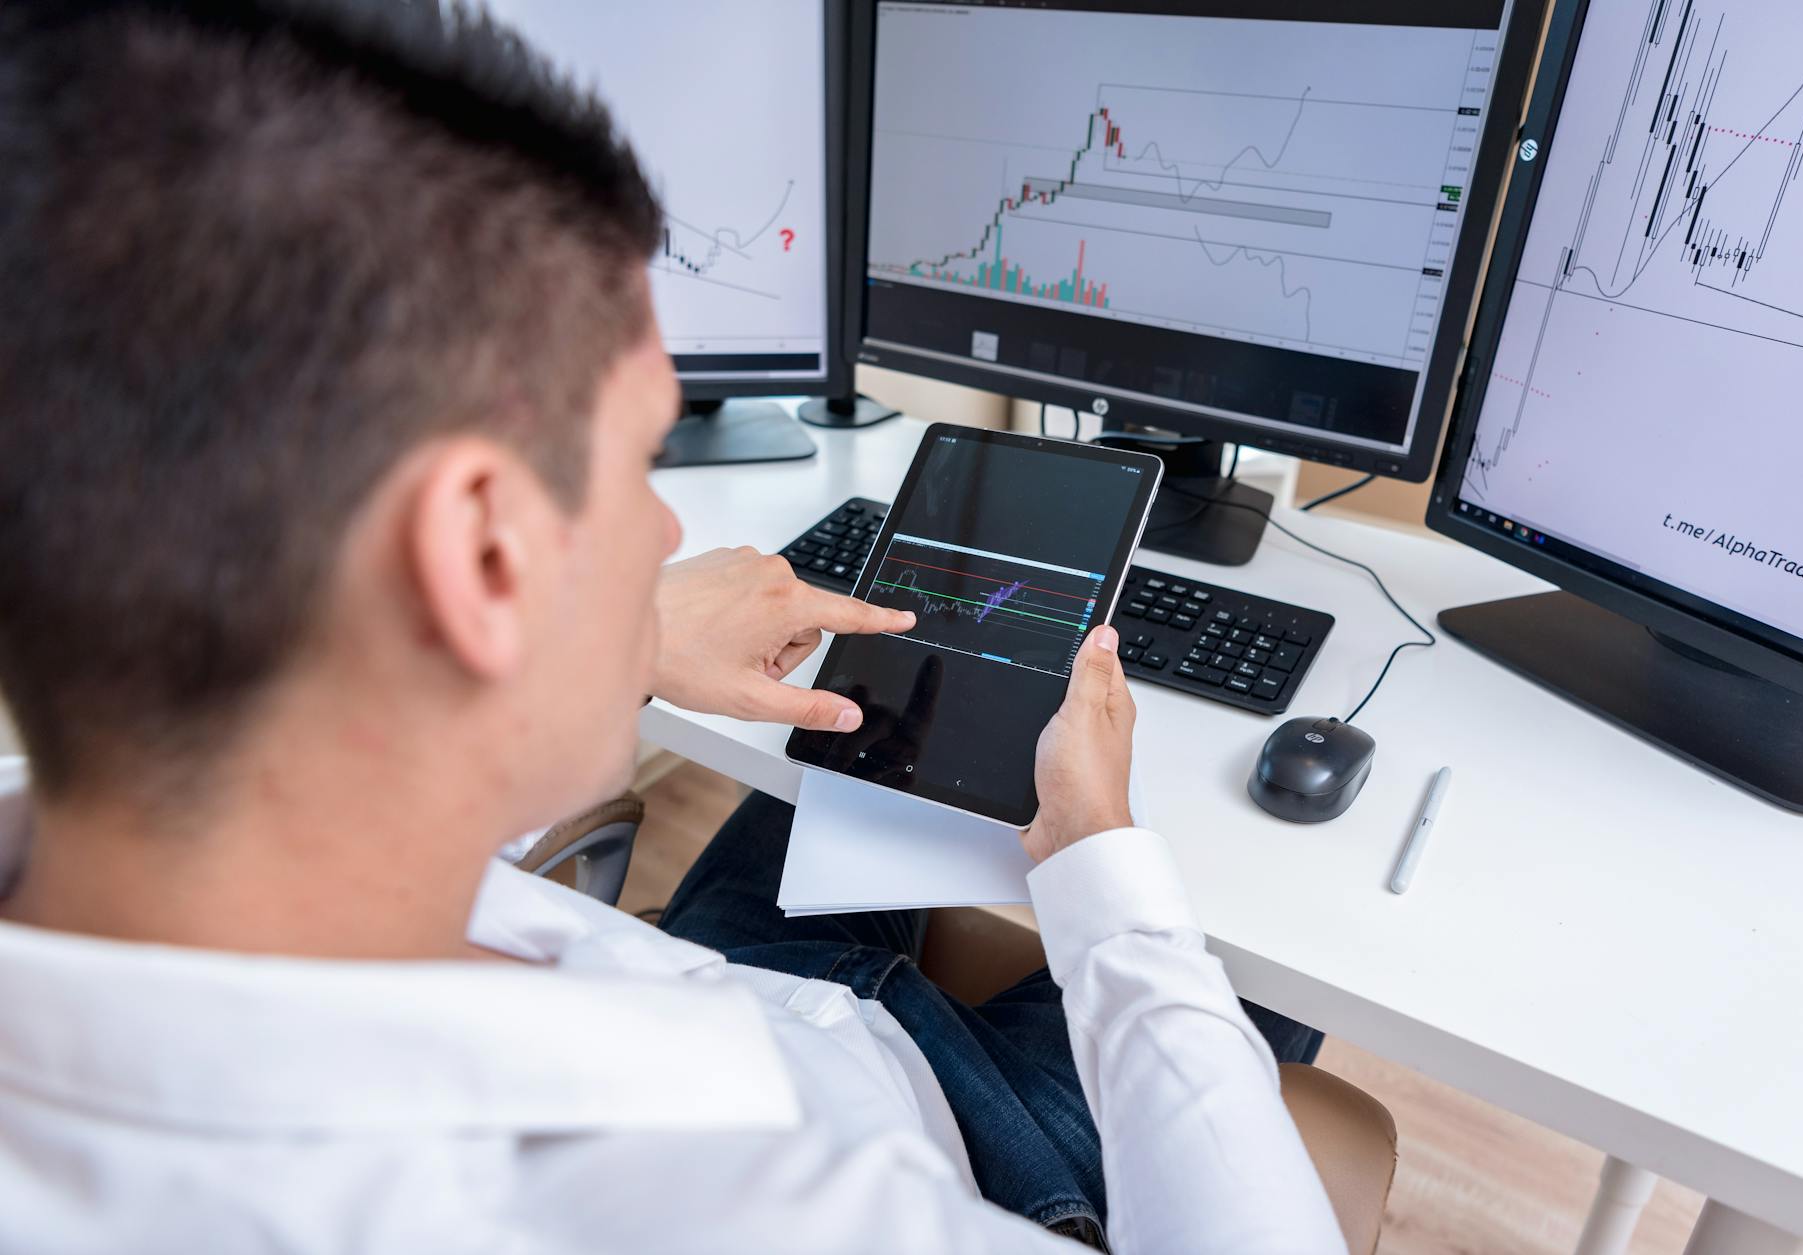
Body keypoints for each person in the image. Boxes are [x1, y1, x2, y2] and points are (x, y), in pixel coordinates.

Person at [0, 2, 1344, 1251]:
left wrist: (620, 644)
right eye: (641, 462)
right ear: (480, 553)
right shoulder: (780, 1219)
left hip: (744, 989)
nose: (662, 539)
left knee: (880, 724)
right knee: (1270, 918)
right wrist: (1102, 872)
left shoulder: (94, 832)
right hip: (962, 1143)